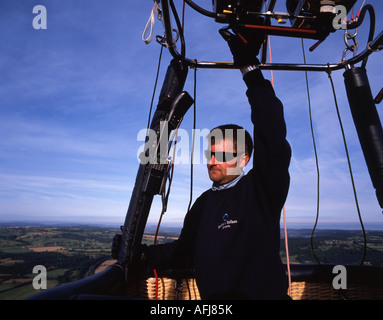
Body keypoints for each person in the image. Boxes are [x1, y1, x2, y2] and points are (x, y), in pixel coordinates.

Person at [142, 27, 292, 300]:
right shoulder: (202, 204)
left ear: (244, 159)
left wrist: (251, 71)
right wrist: (142, 255)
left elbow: (271, 130)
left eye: (222, 155)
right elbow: (183, 251)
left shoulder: (262, 189)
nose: (212, 161)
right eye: (210, 153)